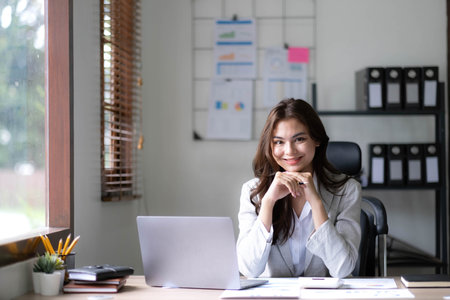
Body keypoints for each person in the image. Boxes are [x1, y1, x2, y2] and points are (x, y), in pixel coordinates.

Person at [236, 98, 361, 278]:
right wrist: (268, 202)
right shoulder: (252, 192)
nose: (289, 151)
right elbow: (248, 269)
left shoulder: (348, 191)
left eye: (299, 139)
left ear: (316, 140)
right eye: (279, 142)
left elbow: (342, 269)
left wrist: (316, 202)